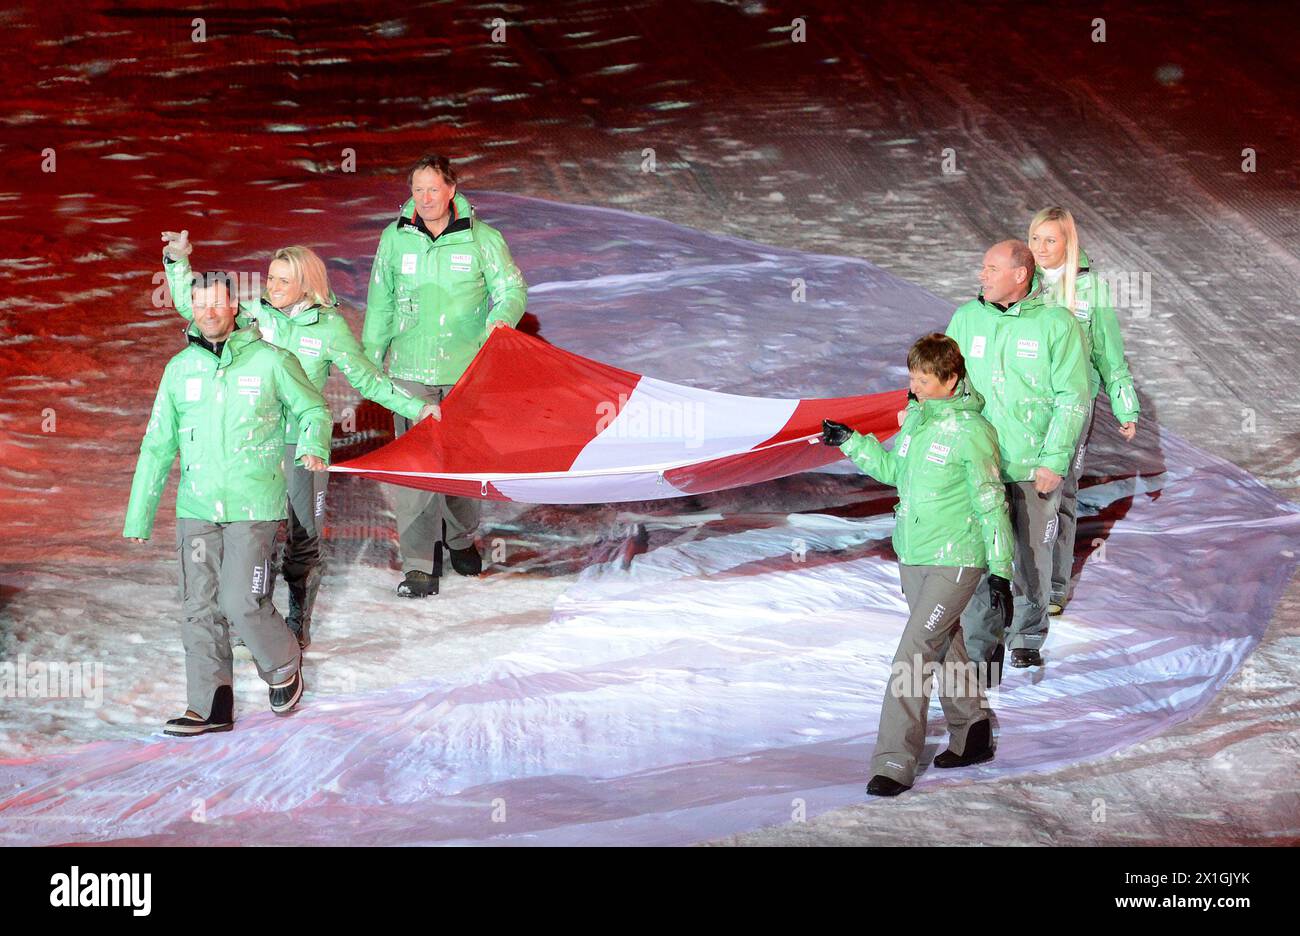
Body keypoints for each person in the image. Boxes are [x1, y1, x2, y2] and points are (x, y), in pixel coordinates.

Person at [159, 233, 440, 647]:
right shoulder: (252, 316)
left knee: (301, 541)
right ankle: (254, 619)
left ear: (306, 286)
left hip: (302, 449)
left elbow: (367, 378)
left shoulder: (330, 329)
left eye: (282, 281)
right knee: (254, 535)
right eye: (270, 278)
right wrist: (177, 262)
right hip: (255, 446)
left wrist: (417, 408)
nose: (271, 287)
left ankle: (296, 624)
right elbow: (196, 307)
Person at [124, 272, 332, 735]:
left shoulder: (271, 361)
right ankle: (210, 705)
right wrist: (140, 513)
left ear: (234, 306)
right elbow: (158, 444)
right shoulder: (180, 369)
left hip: (253, 503)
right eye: (200, 306)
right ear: (192, 310)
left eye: (218, 303)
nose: (210, 313)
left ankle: (282, 663)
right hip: (196, 507)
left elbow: (313, 409)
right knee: (198, 606)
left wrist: (311, 445)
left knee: (239, 600)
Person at [823, 333, 1014, 796]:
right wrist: (852, 442)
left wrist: (1002, 572)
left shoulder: (973, 433)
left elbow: (992, 504)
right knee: (945, 644)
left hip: (956, 560)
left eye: (925, 379)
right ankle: (972, 730)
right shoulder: (916, 423)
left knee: (911, 658)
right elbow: (893, 472)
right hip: (914, 556)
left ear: (951, 379)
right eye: (912, 376)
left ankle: (893, 761)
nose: (916, 385)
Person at [362, 154, 528, 597]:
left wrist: (503, 317)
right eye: (418, 190)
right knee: (417, 469)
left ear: (451, 190)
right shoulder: (395, 239)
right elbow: (380, 302)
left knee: (459, 464)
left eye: (433, 189)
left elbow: (511, 288)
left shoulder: (482, 239)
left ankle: (459, 538)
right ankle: (418, 563)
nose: (426, 198)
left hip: (464, 372)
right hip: (410, 372)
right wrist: (370, 360)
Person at [945, 240, 1089, 669]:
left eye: (991, 268)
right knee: (977, 554)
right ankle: (981, 642)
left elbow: (1073, 397)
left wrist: (1055, 460)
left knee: (1029, 555)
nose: (981, 275)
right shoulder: (966, 319)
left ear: (1020, 274)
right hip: (977, 462)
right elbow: (940, 383)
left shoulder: (1056, 324)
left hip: (1031, 465)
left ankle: (1026, 634)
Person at [1028, 207, 1140, 614]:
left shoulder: (1091, 290)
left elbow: (1110, 354)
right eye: (1035, 239)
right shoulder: (1025, 282)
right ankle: (1016, 579)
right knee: (1020, 487)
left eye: (1051, 240)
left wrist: (1125, 404)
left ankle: (1054, 586)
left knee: (1059, 489)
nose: (1041, 248)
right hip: (1024, 403)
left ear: (1068, 243)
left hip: (1073, 403)